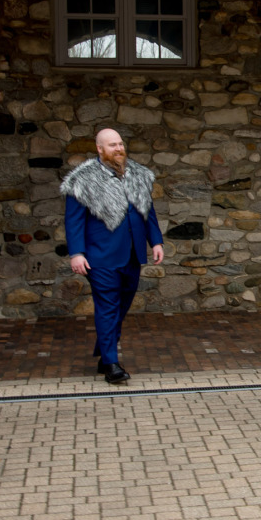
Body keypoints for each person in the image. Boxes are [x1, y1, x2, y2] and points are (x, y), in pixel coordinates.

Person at [60, 128, 164, 384]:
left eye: (120, 144)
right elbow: (73, 221)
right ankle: (111, 364)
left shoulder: (137, 174)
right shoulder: (83, 179)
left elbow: (147, 211)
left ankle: (103, 352)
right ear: (99, 149)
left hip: (132, 254)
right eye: (112, 145)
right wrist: (76, 253)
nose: (118, 148)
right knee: (107, 307)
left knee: (122, 306)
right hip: (100, 256)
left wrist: (156, 241)